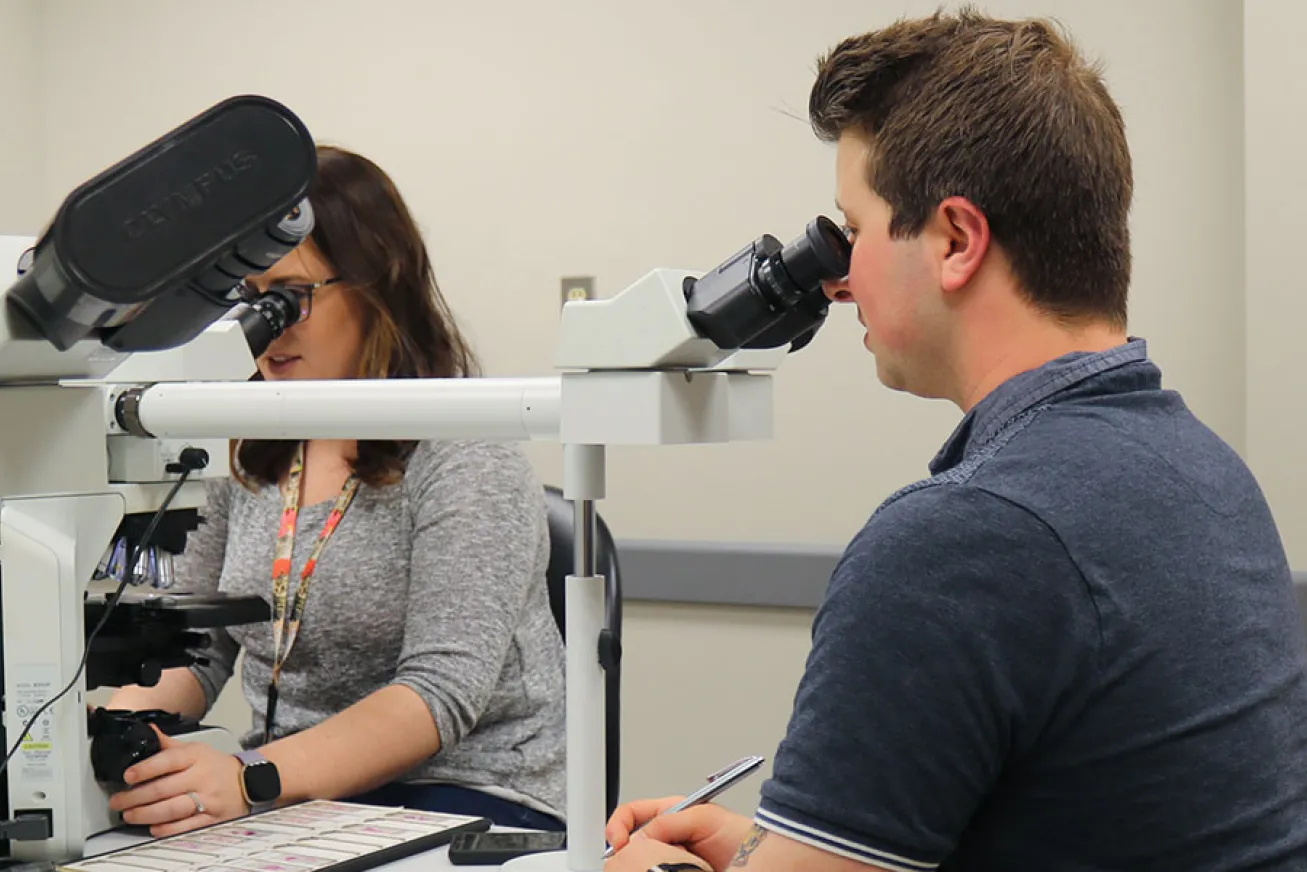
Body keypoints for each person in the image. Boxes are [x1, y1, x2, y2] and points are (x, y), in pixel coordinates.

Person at [605, 10, 1307, 872]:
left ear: (956, 240)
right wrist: (775, 850)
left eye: (852, 230)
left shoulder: (965, 540)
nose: (835, 279)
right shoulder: (1203, 472)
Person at [105, 145, 566, 837]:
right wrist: (96, 729)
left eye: (289, 298)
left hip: (468, 796)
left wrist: (249, 779)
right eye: (249, 303)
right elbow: (197, 650)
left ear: (380, 284)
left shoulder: (466, 453)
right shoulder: (246, 445)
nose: (265, 331)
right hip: (290, 798)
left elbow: (438, 696)